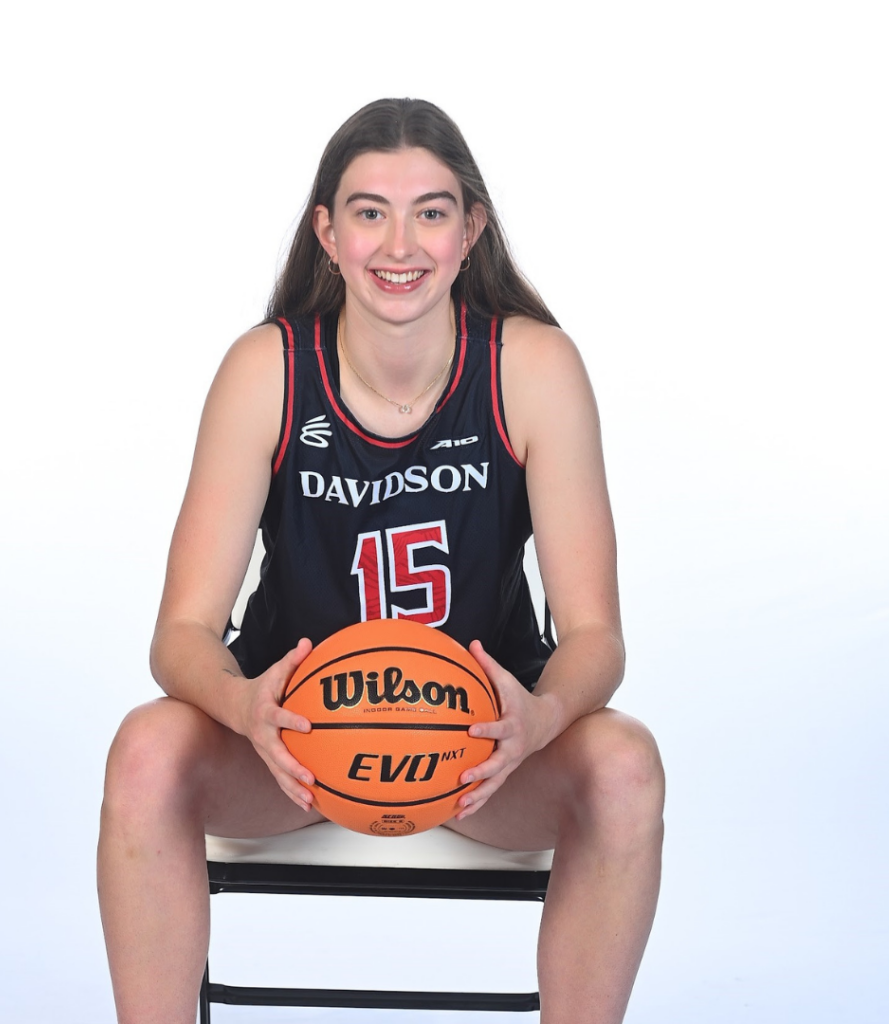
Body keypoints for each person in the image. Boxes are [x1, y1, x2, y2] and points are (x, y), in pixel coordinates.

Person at [97, 98, 664, 1024]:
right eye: (369, 211)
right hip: (292, 752)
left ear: (471, 229)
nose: (400, 243)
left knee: (627, 764)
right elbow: (180, 636)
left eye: (432, 211)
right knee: (146, 747)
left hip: (484, 755)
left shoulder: (533, 368)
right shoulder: (268, 370)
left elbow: (596, 634)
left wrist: (544, 713)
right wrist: (248, 706)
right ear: (327, 231)